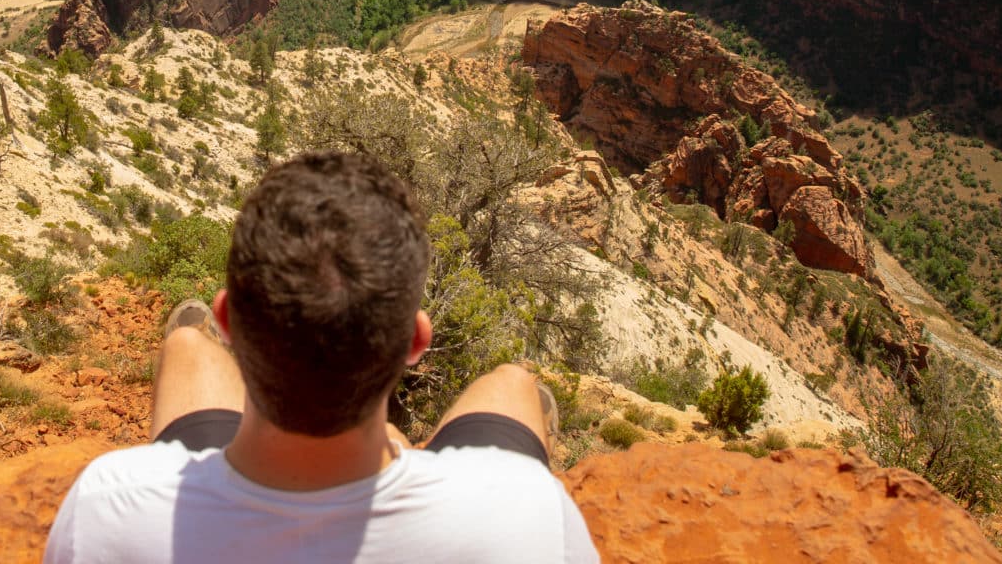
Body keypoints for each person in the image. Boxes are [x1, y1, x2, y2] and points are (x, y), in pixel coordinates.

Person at [44, 151, 598, 562]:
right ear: (416, 343)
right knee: (511, 383)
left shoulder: (106, 510)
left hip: (228, 482)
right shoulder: (532, 517)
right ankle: (402, 450)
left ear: (230, 320)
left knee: (187, 346)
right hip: (456, 508)